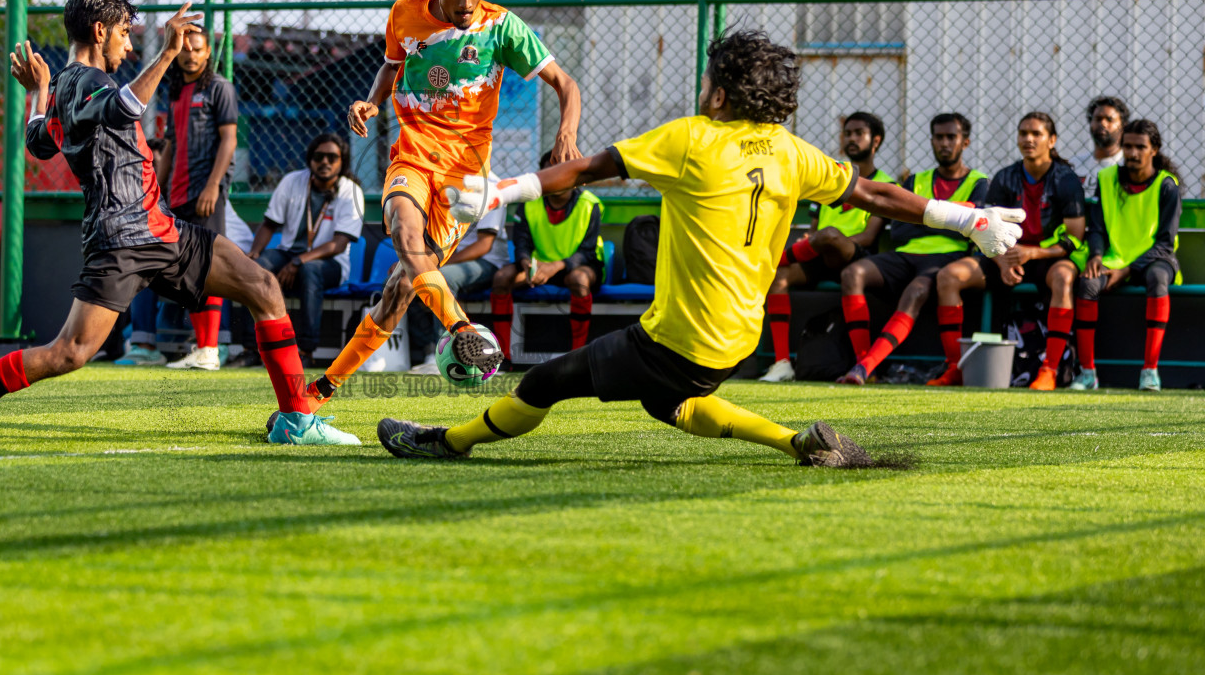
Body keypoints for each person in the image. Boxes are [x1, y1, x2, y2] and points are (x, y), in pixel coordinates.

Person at [372, 30, 1024, 464]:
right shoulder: (792, 153)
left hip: (678, 338)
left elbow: (586, 168)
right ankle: (801, 441)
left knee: (544, 381)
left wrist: (497, 192)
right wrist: (969, 219)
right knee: (674, 404)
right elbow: (875, 195)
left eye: (709, 77)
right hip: (734, 338)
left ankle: (447, 443)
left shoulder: (692, 139)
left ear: (721, 90)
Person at [0, 0, 356, 447]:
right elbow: (125, 107)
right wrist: (168, 51)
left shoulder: (67, 86)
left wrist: (41, 89)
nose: (129, 44)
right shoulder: (87, 82)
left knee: (263, 287)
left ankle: (296, 419)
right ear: (98, 30)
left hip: (161, 229)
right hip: (122, 239)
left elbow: (38, 142)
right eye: (124, 32)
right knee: (69, 353)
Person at [311, 0, 583, 405]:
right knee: (404, 232)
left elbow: (566, 84)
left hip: (465, 180)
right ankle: (462, 329)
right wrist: (373, 102)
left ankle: (323, 386)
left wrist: (566, 134)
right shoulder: (404, 14)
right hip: (412, 155)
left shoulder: (503, 29)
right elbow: (391, 66)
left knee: (400, 288)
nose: (466, 2)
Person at [931, 112, 1086, 390]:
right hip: (1005, 255)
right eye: (1023, 133)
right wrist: (1002, 262)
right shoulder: (1005, 177)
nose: (1028, 139)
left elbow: (1074, 239)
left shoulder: (1067, 180)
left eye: (1036, 134)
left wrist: (1033, 253)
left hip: (1047, 259)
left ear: (1051, 141)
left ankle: (1049, 371)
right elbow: (985, 229)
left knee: (1064, 277)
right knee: (948, 277)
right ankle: (955, 368)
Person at [834, 114, 988, 384]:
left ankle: (865, 367)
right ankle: (863, 362)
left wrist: (923, 218)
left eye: (951, 137)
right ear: (931, 141)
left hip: (947, 257)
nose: (944, 143)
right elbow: (900, 228)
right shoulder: (916, 180)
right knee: (852, 274)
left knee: (915, 292)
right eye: (939, 137)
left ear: (965, 142)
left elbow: (974, 229)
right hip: (906, 253)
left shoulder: (979, 182)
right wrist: (952, 220)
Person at [758, 111, 893, 382]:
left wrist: (824, 240)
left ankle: (865, 366)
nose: (851, 139)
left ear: (875, 141)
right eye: (848, 133)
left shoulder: (885, 184)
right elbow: (812, 232)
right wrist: (811, 242)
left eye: (859, 134)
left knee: (830, 235)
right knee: (781, 277)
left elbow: (867, 237)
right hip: (821, 256)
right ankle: (782, 363)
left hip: (856, 256)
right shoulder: (831, 179)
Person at [151, 22, 239, 371]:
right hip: (178, 193)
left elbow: (229, 140)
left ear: (207, 52)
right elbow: (170, 144)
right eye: (185, 48)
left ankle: (210, 348)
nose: (191, 54)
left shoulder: (220, 88)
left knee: (210, 267)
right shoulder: (175, 90)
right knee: (187, 270)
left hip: (205, 192)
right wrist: (157, 189)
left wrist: (213, 186)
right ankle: (202, 347)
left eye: (198, 48)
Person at [1071, 120, 1180, 392]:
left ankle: (1150, 371)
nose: (1132, 153)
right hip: (1114, 258)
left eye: (1140, 147)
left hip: (1156, 258)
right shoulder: (1107, 179)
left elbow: (1166, 243)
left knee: (1158, 279)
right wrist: (1095, 255)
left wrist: (1127, 270)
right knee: (1087, 284)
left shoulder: (1167, 185)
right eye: (1127, 146)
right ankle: (1087, 374)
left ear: (1153, 149)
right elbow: (1096, 228)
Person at [237, 133, 364, 367]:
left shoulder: (351, 191)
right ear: (310, 160)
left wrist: (299, 262)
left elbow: (339, 244)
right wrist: (254, 254)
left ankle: (306, 351)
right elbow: (268, 224)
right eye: (319, 156)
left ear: (341, 162)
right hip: (288, 253)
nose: (324, 162)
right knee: (256, 270)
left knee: (310, 271)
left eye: (332, 157)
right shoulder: (292, 181)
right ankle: (250, 348)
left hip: (330, 263)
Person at [489, 152, 603, 361]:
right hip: (538, 267)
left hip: (578, 266)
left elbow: (587, 251)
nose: (558, 178)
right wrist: (526, 263)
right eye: (551, 173)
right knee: (502, 278)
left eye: (564, 172)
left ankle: (577, 355)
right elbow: (522, 242)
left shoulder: (589, 203)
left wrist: (556, 266)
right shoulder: (530, 203)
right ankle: (503, 357)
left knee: (579, 280)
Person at [409, 201, 508, 373]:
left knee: (442, 277)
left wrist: (434, 266)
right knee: (402, 279)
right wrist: (414, 263)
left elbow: (483, 246)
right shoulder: (446, 187)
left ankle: (442, 351)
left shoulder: (491, 188)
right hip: (448, 261)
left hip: (488, 263)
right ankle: (430, 347)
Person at [1069, 96, 1129, 197]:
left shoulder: (1127, 166)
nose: (1103, 124)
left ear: (1123, 126)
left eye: (1109, 119)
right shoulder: (1075, 165)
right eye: (1098, 119)